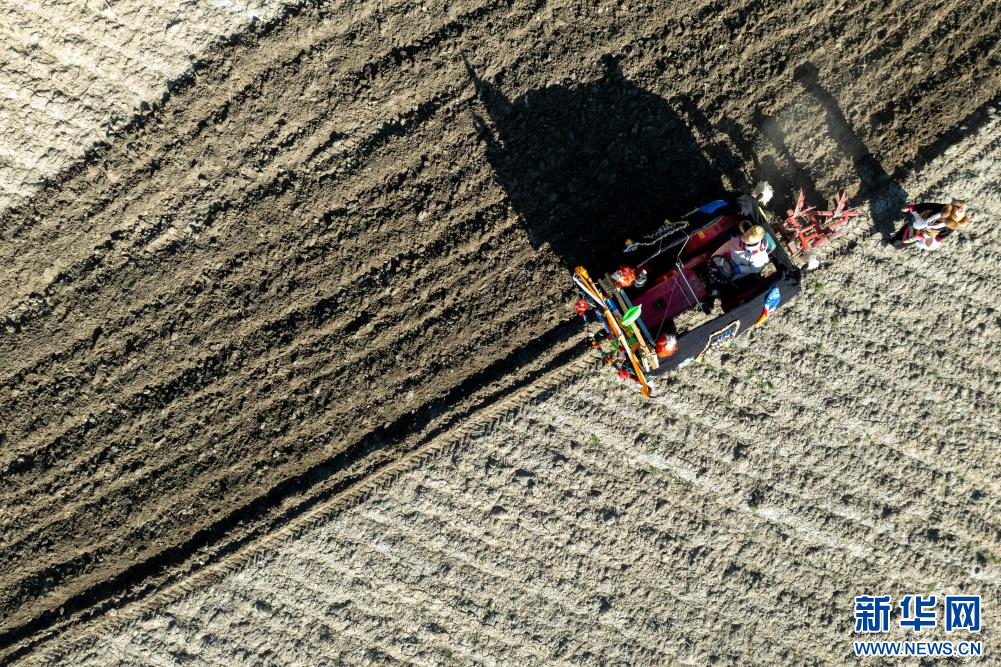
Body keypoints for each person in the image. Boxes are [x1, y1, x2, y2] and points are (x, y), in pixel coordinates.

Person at [901, 199, 972, 250]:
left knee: (911, 239)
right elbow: (928, 206)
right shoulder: (941, 208)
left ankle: (908, 236)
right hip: (923, 217)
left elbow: (946, 232)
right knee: (914, 223)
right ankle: (909, 226)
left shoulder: (950, 225)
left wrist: (939, 238)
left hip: (930, 231)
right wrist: (912, 207)